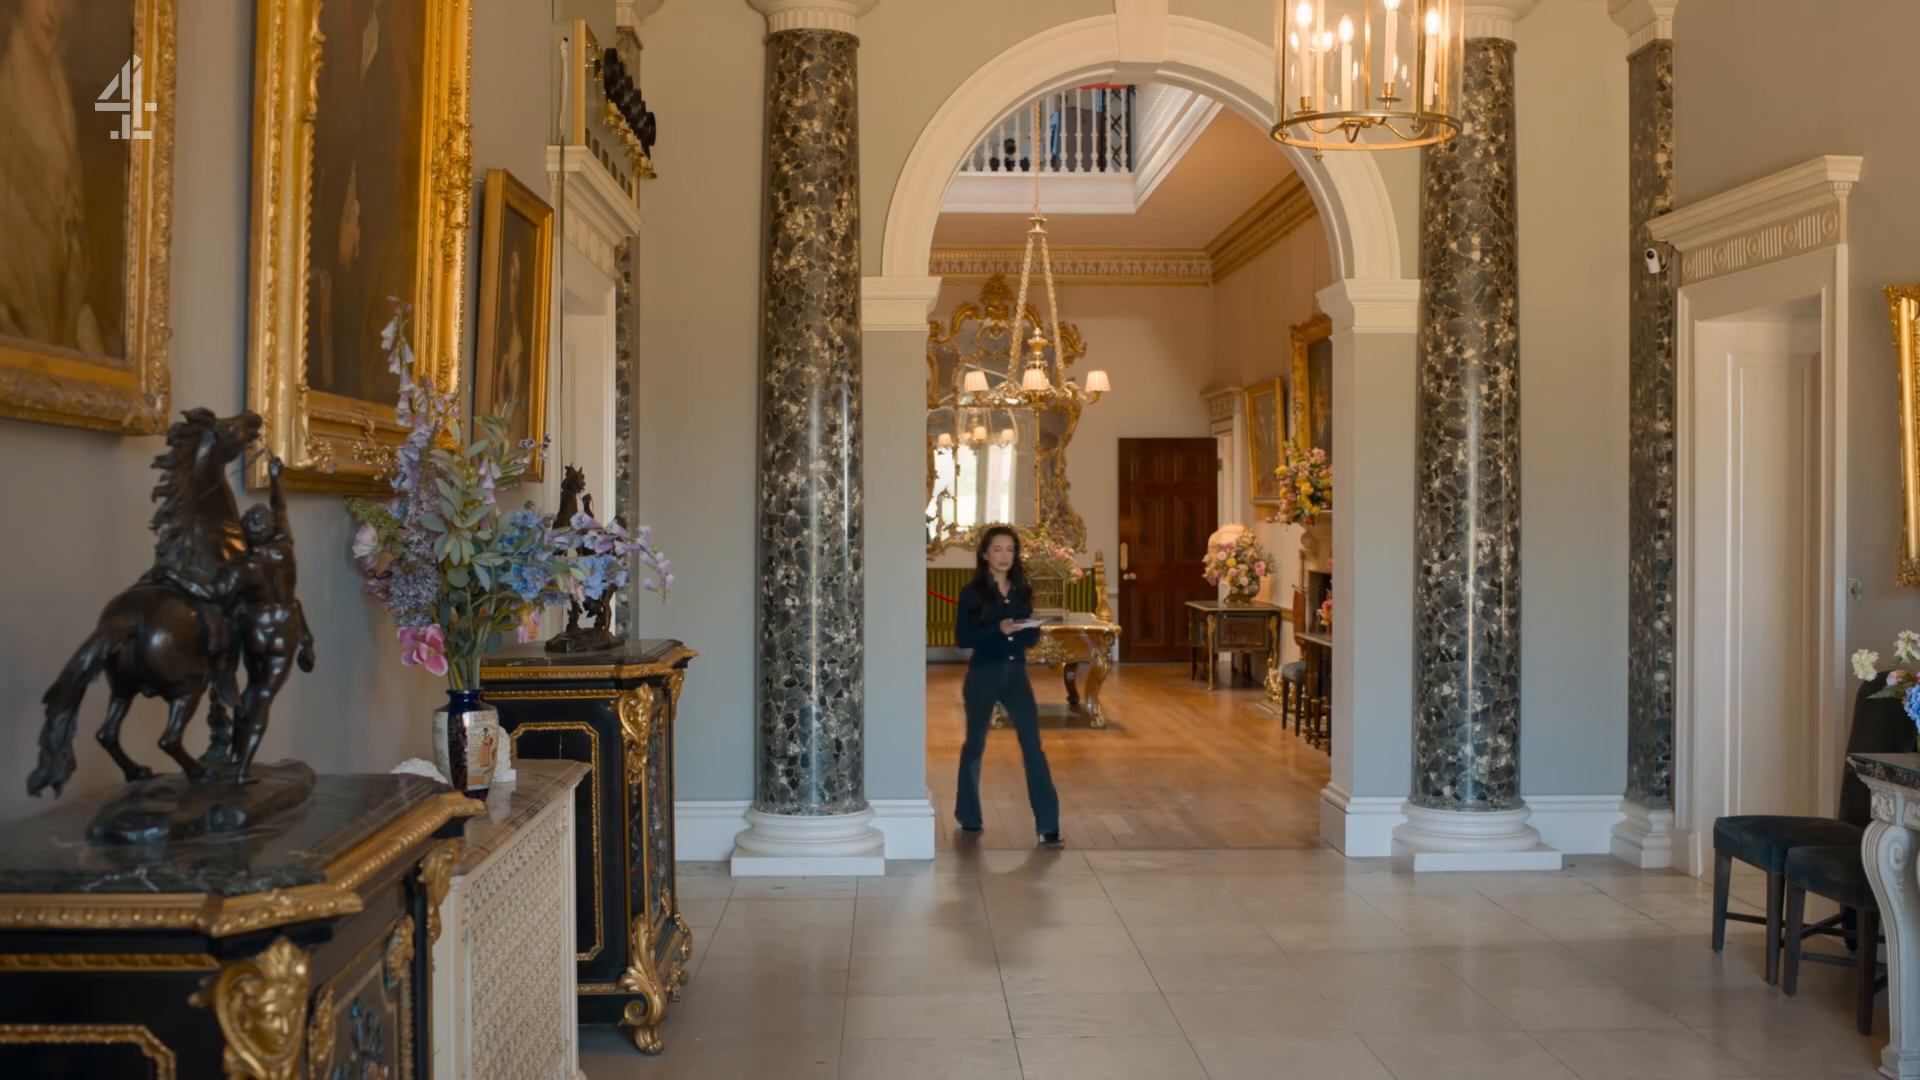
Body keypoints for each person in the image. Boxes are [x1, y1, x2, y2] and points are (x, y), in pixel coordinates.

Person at [953, 526, 1062, 847]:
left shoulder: (1021, 591)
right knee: (975, 745)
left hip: (1016, 675)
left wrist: (1029, 628)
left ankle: (1049, 826)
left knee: (1033, 746)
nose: (1004, 556)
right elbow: (964, 639)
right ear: (985, 554)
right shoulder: (972, 593)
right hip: (983, 674)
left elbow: (1029, 639)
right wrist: (997, 629)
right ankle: (969, 815)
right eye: (998, 549)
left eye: (1010, 550)